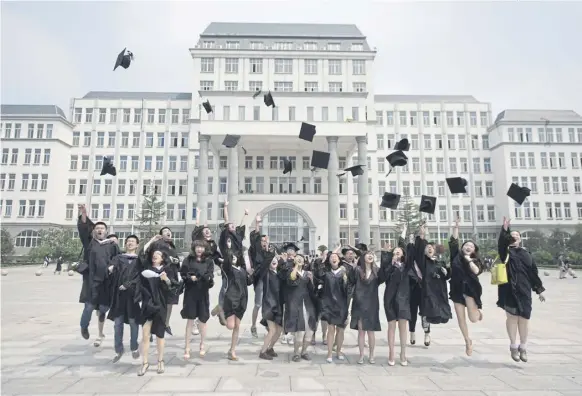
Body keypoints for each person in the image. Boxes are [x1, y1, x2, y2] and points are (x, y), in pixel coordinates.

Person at [498, 216, 546, 362]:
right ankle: (513, 346)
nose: (514, 238)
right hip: (509, 290)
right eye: (512, 236)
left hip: (524, 290)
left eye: (516, 236)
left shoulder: (526, 254)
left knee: (524, 319)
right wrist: (505, 228)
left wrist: (539, 290)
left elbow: (533, 273)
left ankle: (523, 347)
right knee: (512, 318)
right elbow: (501, 242)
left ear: (520, 239)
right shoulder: (505, 252)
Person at [76, 204, 120, 346]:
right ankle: (84, 326)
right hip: (92, 281)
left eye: (102, 228)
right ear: (94, 231)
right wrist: (84, 214)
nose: (100, 230)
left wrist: (113, 266)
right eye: (97, 228)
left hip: (106, 282)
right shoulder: (90, 243)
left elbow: (117, 258)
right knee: (88, 307)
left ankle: (100, 329)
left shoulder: (112, 245)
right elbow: (83, 229)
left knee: (103, 309)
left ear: (106, 231)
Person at [136, 247, 180, 376]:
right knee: (145, 335)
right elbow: (141, 255)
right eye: (154, 254)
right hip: (147, 305)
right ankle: (145, 363)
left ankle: (160, 361)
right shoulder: (146, 269)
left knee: (160, 335)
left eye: (158, 254)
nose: (155, 255)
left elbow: (173, 286)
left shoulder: (167, 270)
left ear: (163, 258)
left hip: (161, 305)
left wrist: (166, 280)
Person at [449, 216, 483, 356]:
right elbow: (453, 241)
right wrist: (456, 226)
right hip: (457, 289)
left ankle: (478, 313)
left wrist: (469, 260)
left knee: (473, 319)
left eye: (471, 246)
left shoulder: (476, 260)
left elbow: (477, 271)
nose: (468, 246)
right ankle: (467, 341)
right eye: (466, 245)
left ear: (474, 250)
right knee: (461, 319)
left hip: (470, 290)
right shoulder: (455, 255)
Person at [380, 226, 412, 366]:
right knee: (391, 326)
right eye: (395, 252)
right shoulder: (389, 266)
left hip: (404, 299)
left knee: (403, 327)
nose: (397, 253)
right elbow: (381, 277)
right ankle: (391, 352)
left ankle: (403, 353)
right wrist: (389, 262)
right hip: (390, 299)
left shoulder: (407, 266)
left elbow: (404, 245)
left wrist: (403, 234)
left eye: (399, 252)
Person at [107, 235, 141, 363]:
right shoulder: (118, 258)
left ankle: (134, 347)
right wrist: (110, 269)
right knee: (118, 324)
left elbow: (140, 277)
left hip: (133, 296)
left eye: (133, 241)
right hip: (119, 296)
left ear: (137, 245)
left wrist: (128, 284)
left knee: (134, 322)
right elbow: (111, 267)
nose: (130, 243)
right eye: (128, 241)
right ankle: (119, 349)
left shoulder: (140, 260)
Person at [347, 248, 384, 364]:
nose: (370, 255)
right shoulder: (357, 270)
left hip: (372, 304)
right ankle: (362, 355)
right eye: (368, 254)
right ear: (363, 258)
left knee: (371, 331)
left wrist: (386, 256)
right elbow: (350, 282)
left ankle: (372, 355)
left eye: (372, 254)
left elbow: (384, 276)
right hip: (359, 303)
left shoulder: (377, 271)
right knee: (361, 331)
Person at [180, 240, 215, 359]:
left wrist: (206, 278)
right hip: (190, 293)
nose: (199, 249)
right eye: (197, 247)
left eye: (202, 247)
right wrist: (190, 278)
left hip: (203, 293)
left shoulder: (209, 261)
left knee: (203, 321)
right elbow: (183, 274)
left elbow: (211, 275)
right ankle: (187, 347)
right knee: (190, 320)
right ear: (194, 248)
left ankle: (202, 344)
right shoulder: (188, 260)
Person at [191, 209, 222, 333]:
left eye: (208, 229)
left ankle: (200, 319)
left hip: (207, 273)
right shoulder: (198, 243)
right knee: (195, 296)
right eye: (204, 230)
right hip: (196, 270)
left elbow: (216, 257)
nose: (207, 230)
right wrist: (198, 214)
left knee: (204, 297)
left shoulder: (213, 244)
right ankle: (193, 321)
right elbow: (196, 229)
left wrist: (222, 265)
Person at [222, 244, 253, 361]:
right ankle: (220, 311)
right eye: (232, 256)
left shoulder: (243, 270)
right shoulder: (229, 270)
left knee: (237, 326)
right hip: (231, 299)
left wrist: (252, 273)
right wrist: (229, 248)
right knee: (231, 326)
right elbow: (226, 263)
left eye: (236, 256)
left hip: (242, 300)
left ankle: (232, 350)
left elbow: (249, 282)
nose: (234, 257)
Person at [317, 252, 349, 363]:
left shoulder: (344, 272)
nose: (333, 258)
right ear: (329, 261)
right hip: (329, 304)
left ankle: (339, 351)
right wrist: (323, 259)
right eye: (331, 257)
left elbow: (349, 288)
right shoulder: (326, 273)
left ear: (339, 260)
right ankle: (329, 353)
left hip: (341, 305)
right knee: (331, 329)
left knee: (340, 330)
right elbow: (318, 276)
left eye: (335, 257)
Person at [285, 255, 318, 362]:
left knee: (309, 332)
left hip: (307, 304)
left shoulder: (307, 273)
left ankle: (304, 351)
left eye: (301, 258)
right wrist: (296, 267)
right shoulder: (291, 271)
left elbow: (312, 290)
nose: (300, 259)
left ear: (304, 261)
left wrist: (312, 279)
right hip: (296, 303)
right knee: (299, 332)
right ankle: (296, 353)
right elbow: (291, 280)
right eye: (297, 258)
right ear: (294, 260)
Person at [249, 213, 270, 338]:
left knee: (269, 303)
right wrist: (257, 223)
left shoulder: (269, 250)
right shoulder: (256, 250)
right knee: (258, 304)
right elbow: (256, 236)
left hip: (269, 279)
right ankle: (253, 326)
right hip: (260, 279)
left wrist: (268, 248)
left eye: (265, 240)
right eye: (262, 240)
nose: (263, 242)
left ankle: (268, 326)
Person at [258, 253, 282, 360]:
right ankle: (263, 351)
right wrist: (270, 255)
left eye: (275, 259)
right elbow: (263, 266)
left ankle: (270, 348)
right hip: (269, 305)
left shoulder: (279, 273)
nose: (274, 260)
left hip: (278, 305)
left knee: (279, 330)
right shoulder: (266, 273)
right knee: (272, 330)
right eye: (271, 259)